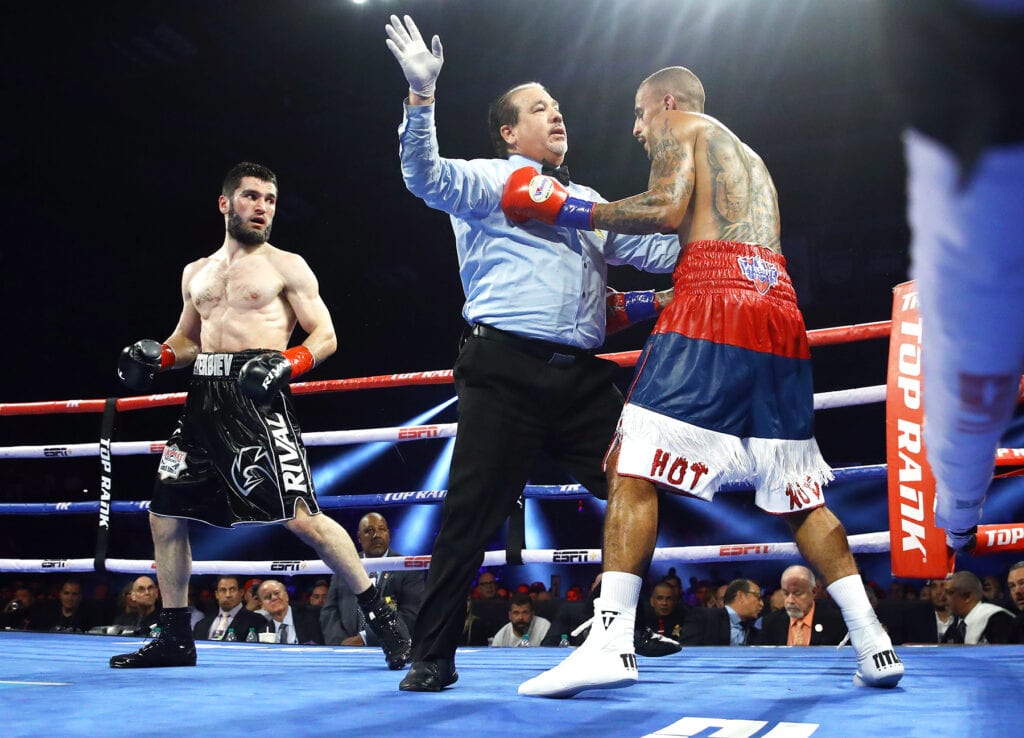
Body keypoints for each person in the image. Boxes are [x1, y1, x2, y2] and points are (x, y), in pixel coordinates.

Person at [504, 65, 904, 697]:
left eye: (638, 115)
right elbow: (717, 235)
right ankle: (874, 642)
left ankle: (610, 642)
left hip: (715, 300)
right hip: (778, 305)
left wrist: (567, 207)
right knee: (798, 489)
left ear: (664, 102)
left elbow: (665, 210)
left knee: (631, 466)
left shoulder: (681, 125)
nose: (638, 130)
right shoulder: (751, 159)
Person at [384, 16, 680, 692]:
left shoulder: (588, 201)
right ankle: (433, 653)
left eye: (558, 106)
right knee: (469, 516)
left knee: (636, 485)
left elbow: (657, 251)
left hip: (580, 381)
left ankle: (616, 626)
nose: (556, 114)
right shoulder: (489, 182)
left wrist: (712, 225)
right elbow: (423, 176)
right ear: (509, 133)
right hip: (504, 373)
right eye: (538, 107)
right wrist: (421, 98)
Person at [108, 162, 411, 670]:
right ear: (226, 203)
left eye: (270, 199)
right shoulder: (196, 271)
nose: (262, 207)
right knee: (164, 516)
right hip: (202, 397)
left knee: (303, 518)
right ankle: (177, 637)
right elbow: (188, 338)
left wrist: (288, 362)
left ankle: (383, 619)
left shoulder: (286, 265)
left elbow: (325, 335)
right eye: (252, 197)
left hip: (256, 397)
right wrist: (159, 356)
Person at [882, 2, 1024, 554]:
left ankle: (960, 513)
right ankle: (960, 516)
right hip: (969, 120)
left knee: (973, 379)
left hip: (964, 118)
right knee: (973, 383)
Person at [320, 512, 425, 647]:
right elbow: (329, 611)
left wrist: (366, 638)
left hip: (392, 647)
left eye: (381, 529)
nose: (376, 535)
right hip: (346, 650)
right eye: (369, 531)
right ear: (359, 537)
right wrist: (340, 643)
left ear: (388, 534)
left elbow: (411, 614)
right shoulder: (344, 564)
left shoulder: (406, 568)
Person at [758, 566, 847, 647]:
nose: (790, 600)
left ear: (813, 592)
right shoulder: (770, 622)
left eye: (797, 594)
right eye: (785, 593)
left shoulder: (836, 620)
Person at [940, 570, 1017, 644]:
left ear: (967, 596)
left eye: (950, 593)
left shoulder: (997, 619)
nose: (944, 598)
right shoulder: (955, 628)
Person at [193, 575, 268, 641]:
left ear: (241, 592)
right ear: (216, 594)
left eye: (232, 589)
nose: (228, 595)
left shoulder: (257, 621)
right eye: (223, 590)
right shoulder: (201, 625)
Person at [692, 579, 763, 646]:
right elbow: (686, 652)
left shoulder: (754, 633)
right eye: (758, 597)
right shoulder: (704, 618)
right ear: (741, 596)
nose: (761, 604)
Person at [256, 580, 323, 645]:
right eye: (267, 596)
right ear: (262, 605)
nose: (273, 598)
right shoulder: (263, 633)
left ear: (286, 596)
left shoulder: (314, 616)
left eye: (277, 593)